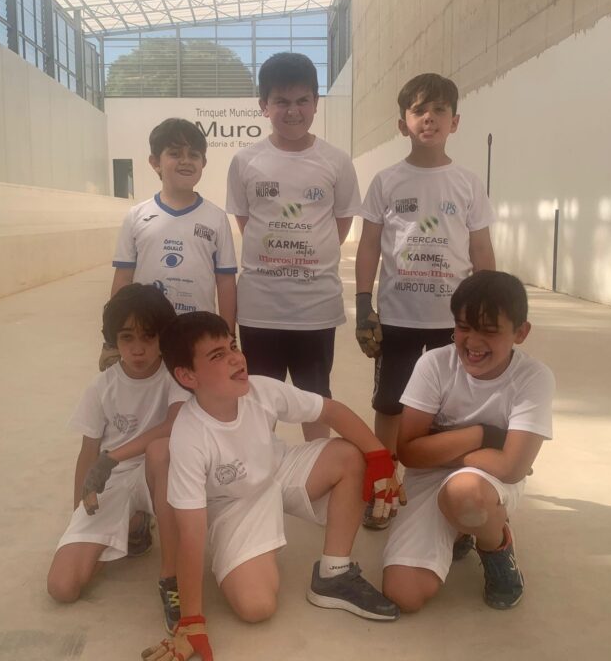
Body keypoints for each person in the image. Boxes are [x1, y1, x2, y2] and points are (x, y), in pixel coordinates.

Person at [141, 312, 402, 661]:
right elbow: (191, 534)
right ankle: (252, 558)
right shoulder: (189, 436)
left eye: (232, 346)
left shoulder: (260, 390)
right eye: (217, 356)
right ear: (188, 376)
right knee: (256, 607)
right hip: (234, 505)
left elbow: (332, 412)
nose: (236, 358)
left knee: (350, 456)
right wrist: (193, 622)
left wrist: (380, 459)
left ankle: (334, 573)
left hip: (278, 470)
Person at [354, 72, 495, 528]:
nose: (429, 118)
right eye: (418, 110)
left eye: (439, 110)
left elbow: (480, 250)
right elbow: (370, 245)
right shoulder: (387, 181)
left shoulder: (468, 184)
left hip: (450, 323)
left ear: (455, 121)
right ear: (402, 124)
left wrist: (486, 314)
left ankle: (443, 490)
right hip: (396, 318)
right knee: (390, 405)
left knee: (448, 409)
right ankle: (384, 484)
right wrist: (363, 305)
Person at [381, 271, 555, 612]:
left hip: (486, 483)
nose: (472, 342)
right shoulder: (434, 364)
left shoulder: (534, 378)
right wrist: (483, 437)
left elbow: (513, 467)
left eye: (489, 331)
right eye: (463, 327)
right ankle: (461, 529)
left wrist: (440, 444)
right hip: (438, 474)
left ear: (521, 332)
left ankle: (495, 547)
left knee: (465, 495)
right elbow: (409, 453)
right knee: (404, 594)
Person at [226, 52, 360, 441]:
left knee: (314, 400)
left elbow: (341, 221)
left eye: (302, 100)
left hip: (315, 310)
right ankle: (256, 480)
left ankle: (316, 476)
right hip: (260, 309)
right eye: (281, 101)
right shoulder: (246, 161)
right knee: (257, 400)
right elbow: (246, 221)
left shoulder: (336, 161)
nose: (293, 110)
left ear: (316, 103)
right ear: (263, 106)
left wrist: (308, 260)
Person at [48, 284, 190, 634]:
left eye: (148, 336)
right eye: (127, 338)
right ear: (113, 339)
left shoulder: (174, 376)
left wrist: (113, 457)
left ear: (163, 337)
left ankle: (171, 578)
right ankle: (134, 525)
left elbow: (174, 423)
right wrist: (79, 512)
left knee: (163, 451)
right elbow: (88, 451)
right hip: (111, 479)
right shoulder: (101, 386)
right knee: (63, 587)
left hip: (157, 474)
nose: (138, 349)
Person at [99, 118, 237, 371]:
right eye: (174, 153)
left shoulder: (217, 218)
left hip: (196, 334)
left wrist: (228, 337)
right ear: (155, 162)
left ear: (203, 163)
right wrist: (112, 339)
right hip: (148, 331)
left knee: (191, 400)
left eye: (193, 155)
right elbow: (123, 277)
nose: (185, 161)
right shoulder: (136, 216)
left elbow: (226, 282)